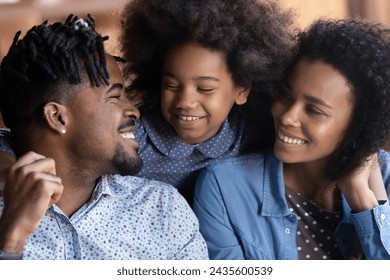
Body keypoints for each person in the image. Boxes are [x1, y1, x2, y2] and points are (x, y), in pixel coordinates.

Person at [0, 14, 208, 260]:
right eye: (115, 96)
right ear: (57, 117)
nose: (134, 111)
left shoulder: (162, 210)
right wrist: (11, 241)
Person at [193, 19, 390, 260]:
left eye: (314, 110)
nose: (287, 116)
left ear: (358, 125)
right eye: (286, 96)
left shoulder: (386, 178)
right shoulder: (224, 188)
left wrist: (365, 203)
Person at [118, 0, 296, 200]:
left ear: (242, 89)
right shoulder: (133, 137)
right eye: (171, 85)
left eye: (205, 88)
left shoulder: (253, 131)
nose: (185, 101)